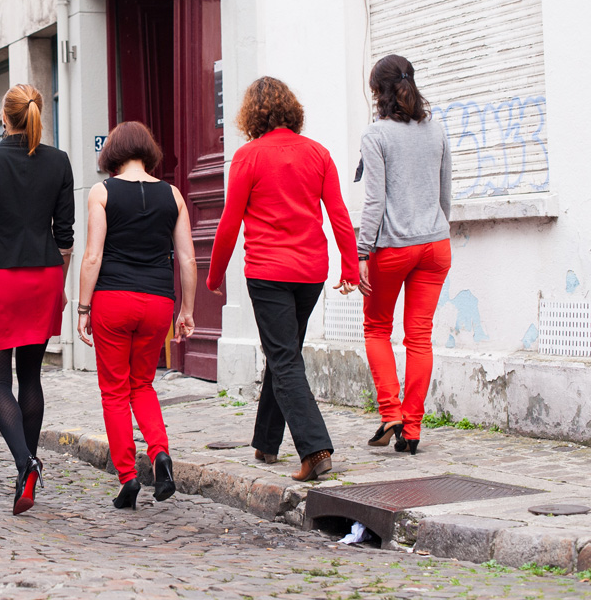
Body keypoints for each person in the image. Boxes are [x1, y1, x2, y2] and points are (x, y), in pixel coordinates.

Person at [206, 77, 359, 482]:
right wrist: (350, 266)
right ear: (292, 111)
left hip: (269, 273)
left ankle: (315, 449)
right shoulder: (319, 153)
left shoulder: (248, 156)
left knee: (284, 358)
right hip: (310, 272)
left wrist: (215, 274)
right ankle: (266, 442)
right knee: (284, 351)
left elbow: (228, 223)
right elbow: (339, 214)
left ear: (251, 115)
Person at [0, 83, 74, 515]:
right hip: (45, 276)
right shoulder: (59, 162)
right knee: (31, 377)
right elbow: (64, 234)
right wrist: (60, 281)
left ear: (3, 118)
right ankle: (25, 467)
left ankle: (25, 463)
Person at [76, 121, 196, 510]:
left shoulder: (102, 192)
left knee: (115, 389)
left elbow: (92, 255)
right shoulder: (173, 195)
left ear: (112, 153)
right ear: (148, 150)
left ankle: (128, 476)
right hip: (157, 302)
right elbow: (188, 258)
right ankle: (160, 455)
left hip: (113, 300)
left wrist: (82, 307)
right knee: (142, 384)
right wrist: (188, 309)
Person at [358, 55, 451, 456]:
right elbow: (446, 192)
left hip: (393, 247)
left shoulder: (375, 135)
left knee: (376, 328)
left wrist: (362, 251)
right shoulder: (437, 130)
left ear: (377, 92)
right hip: (436, 245)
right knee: (419, 337)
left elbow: (374, 200)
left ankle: (390, 411)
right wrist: (434, 225)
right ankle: (411, 430)